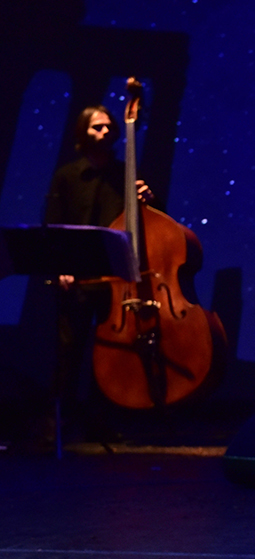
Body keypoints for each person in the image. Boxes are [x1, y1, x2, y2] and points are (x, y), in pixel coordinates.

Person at [41, 105, 156, 437]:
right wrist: (61, 268)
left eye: (109, 127)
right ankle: (58, 423)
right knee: (69, 351)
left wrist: (149, 200)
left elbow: (148, 225)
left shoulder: (126, 175)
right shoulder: (66, 176)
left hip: (116, 280)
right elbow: (53, 226)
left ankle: (101, 421)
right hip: (78, 277)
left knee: (112, 353)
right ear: (83, 133)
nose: (105, 132)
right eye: (97, 127)